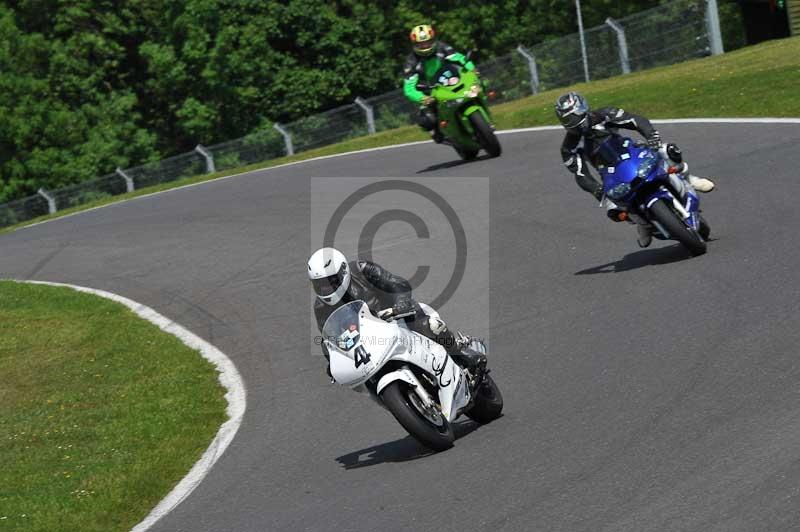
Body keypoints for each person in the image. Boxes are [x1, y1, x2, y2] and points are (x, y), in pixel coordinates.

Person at [555, 91, 715, 247]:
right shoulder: (569, 148)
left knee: (667, 150)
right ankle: (643, 224)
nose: (573, 121)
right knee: (612, 209)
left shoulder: (605, 114)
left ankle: (689, 179)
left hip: (633, 153)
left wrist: (651, 136)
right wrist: (596, 190)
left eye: (573, 116)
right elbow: (580, 173)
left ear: (582, 108)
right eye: (568, 119)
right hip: (611, 174)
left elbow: (635, 120)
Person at [308, 247, 482, 381]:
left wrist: (401, 303)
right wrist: (332, 360)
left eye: (330, 282)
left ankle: (460, 353)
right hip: (368, 342)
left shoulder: (361, 270)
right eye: (320, 285)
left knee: (431, 326)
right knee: (365, 378)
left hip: (397, 317)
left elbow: (396, 283)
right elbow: (328, 338)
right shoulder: (321, 307)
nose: (326, 288)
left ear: (343, 272)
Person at [403, 24, 476, 143]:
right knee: (427, 119)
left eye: (427, 42)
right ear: (414, 44)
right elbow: (408, 88)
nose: (424, 46)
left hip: (450, 80)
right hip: (429, 92)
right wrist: (422, 98)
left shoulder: (442, 47)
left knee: (475, 86)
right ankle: (438, 133)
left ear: (433, 40)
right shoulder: (411, 61)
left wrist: (471, 68)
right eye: (421, 44)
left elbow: (460, 58)